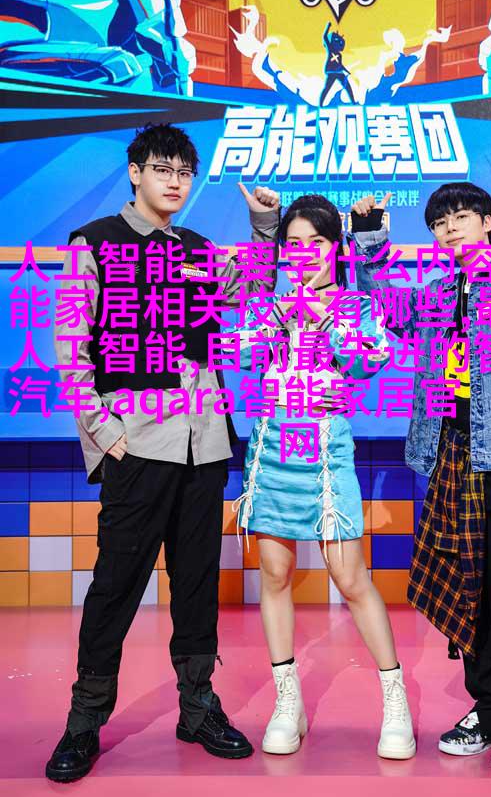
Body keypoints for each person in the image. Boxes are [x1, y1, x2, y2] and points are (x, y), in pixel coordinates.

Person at [47, 122, 280, 782]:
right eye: (162, 169)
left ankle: (197, 706)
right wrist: (104, 431)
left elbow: (253, 289)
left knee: (198, 581)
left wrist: (264, 225)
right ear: (135, 172)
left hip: (205, 443)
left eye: (184, 172)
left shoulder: (199, 249)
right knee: (116, 584)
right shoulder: (95, 243)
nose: (175, 182)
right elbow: (72, 346)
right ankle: (84, 720)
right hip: (138, 443)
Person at [349, 183, 491, 771]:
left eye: (460, 217)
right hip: (451, 456)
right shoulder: (436, 295)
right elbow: (382, 304)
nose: (450, 228)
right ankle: (488, 707)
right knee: (468, 592)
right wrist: (371, 236)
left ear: (486, 222)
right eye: (439, 222)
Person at [231, 194, 416, 760]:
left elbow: (370, 360)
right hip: (271, 448)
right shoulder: (270, 302)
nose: (305, 253)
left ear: (335, 247)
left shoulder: (355, 303)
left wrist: (324, 321)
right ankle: (288, 703)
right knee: (275, 573)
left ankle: (396, 705)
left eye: (317, 242)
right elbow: (242, 354)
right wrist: (282, 316)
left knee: (350, 577)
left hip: (325, 450)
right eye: (294, 244)